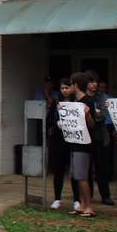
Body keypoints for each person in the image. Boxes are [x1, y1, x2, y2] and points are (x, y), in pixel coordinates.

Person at [61, 72, 97, 217]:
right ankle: (82, 204)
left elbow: (92, 124)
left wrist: (87, 114)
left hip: (84, 144)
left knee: (82, 176)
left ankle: (89, 206)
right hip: (75, 142)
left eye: (70, 84)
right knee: (77, 175)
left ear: (75, 85)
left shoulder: (87, 101)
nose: (68, 87)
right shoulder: (73, 102)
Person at [49, 77, 80, 211]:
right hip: (58, 141)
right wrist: (56, 123)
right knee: (58, 171)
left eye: (67, 87)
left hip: (72, 140)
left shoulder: (77, 102)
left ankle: (77, 199)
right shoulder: (56, 102)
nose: (65, 90)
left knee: (74, 172)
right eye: (62, 88)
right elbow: (49, 118)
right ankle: (57, 198)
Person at [86, 71, 113, 205]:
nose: (95, 84)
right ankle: (88, 195)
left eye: (96, 81)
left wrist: (93, 113)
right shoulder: (83, 97)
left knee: (102, 169)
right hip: (86, 138)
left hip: (101, 137)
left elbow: (100, 116)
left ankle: (105, 196)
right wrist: (94, 112)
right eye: (91, 81)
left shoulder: (102, 97)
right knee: (87, 169)